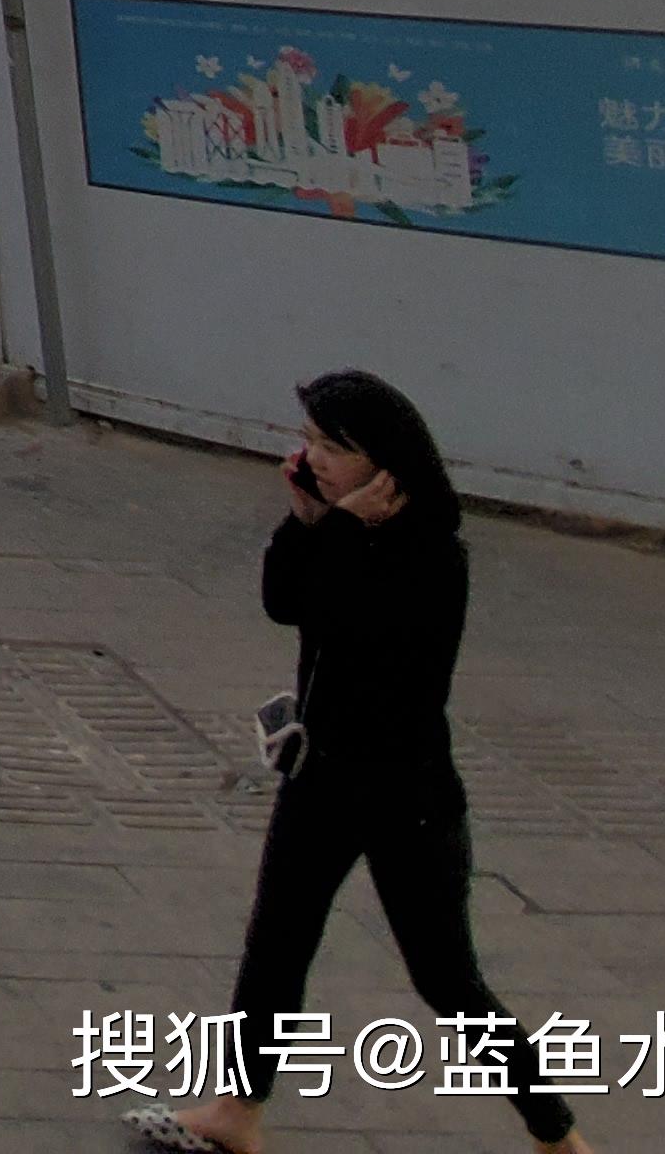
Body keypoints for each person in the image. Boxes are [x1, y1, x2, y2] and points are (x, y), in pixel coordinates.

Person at [133, 371, 587, 1153]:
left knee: (446, 980)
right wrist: (305, 519)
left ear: (384, 460)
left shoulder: (434, 554)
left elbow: (352, 626)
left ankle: (558, 1137)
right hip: (320, 782)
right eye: (309, 440)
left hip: (406, 797)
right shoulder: (340, 528)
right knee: (275, 944)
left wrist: (332, 532)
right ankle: (237, 1114)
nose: (313, 458)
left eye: (331, 448)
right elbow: (285, 602)